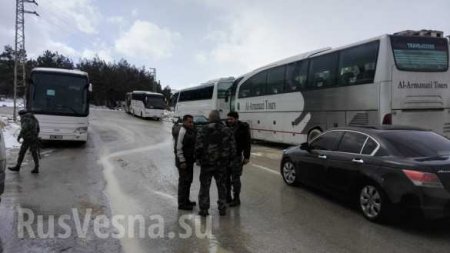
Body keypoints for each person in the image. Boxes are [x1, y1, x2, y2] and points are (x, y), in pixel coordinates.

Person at [195, 110, 235, 217]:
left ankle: (204, 210)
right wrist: (230, 160)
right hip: (222, 164)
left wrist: (198, 159)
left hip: (206, 163)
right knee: (222, 186)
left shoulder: (203, 130)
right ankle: (222, 208)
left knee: (204, 187)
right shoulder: (227, 130)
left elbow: (198, 147)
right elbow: (232, 148)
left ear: (210, 118)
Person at [226, 111, 251, 207]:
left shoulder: (243, 127)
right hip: (226, 157)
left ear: (236, 119)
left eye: (231, 119)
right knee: (226, 179)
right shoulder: (225, 127)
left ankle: (236, 198)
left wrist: (247, 156)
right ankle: (227, 197)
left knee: (235, 179)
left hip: (236, 157)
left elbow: (247, 142)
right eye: (228, 119)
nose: (229, 120)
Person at [174, 114, 197, 210]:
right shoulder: (182, 131)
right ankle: (182, 204)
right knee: (183, 183)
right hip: (183, 162)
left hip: (189, 161)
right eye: (189, 122)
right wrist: (182, 161)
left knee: (188, 182)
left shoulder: (189, 130)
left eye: (192, 122)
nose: (191, 124)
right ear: (184, 122)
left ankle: (186, 200)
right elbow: (178, 148)